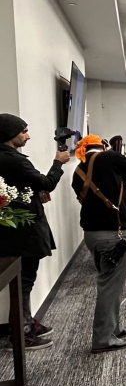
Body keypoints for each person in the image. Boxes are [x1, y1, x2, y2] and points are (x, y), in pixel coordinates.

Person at [71, 134, 126, 353]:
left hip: (92, 235)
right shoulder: (111, 158)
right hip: (112, 234)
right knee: (109, 287)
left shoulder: (78, 170)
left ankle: (113, 327)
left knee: (109, 284)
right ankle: (103, 338)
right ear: (103, 146)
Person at [0, 113, 69, 350]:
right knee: (24, 282)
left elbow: (21, 187)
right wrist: (58, 162)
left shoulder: (9, 158)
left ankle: (26, 323)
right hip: (23, 232)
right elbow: (46, 182)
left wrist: (34, 192)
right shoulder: (13, 160)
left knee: (24, 282)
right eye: (23, 131)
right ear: (10, 134)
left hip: (18, 230)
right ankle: (21, 334)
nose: (28, 136)